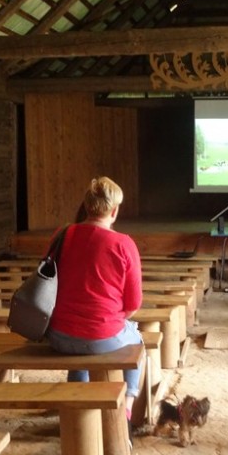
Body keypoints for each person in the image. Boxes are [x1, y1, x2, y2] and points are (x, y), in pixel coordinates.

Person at [47, 177, 144, 422]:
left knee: (79, 343)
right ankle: (127, 406)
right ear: (114, 210)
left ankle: (76, 410)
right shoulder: (123, 243)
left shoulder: (62, 235)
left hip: (57, 336)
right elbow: (133, 305)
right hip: (102, 338)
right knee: (138, 342)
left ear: (87, 206)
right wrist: (108, 320)